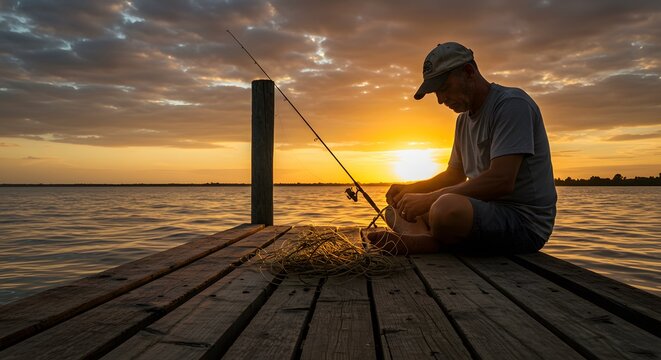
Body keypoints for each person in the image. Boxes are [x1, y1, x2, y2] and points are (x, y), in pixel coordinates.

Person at [366, 42, 557, 255]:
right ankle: (422, 239)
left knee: (445, 208)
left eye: (444, 88)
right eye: (436, 92)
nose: (440, 100)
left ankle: (429, 242)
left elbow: (502, 181)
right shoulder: (463, 121)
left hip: (523, 223)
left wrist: (429, 199)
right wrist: (412, 189)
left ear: (469, 72)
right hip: (479, 212)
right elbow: (454, 175)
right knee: (397, 207)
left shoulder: (511, 104)